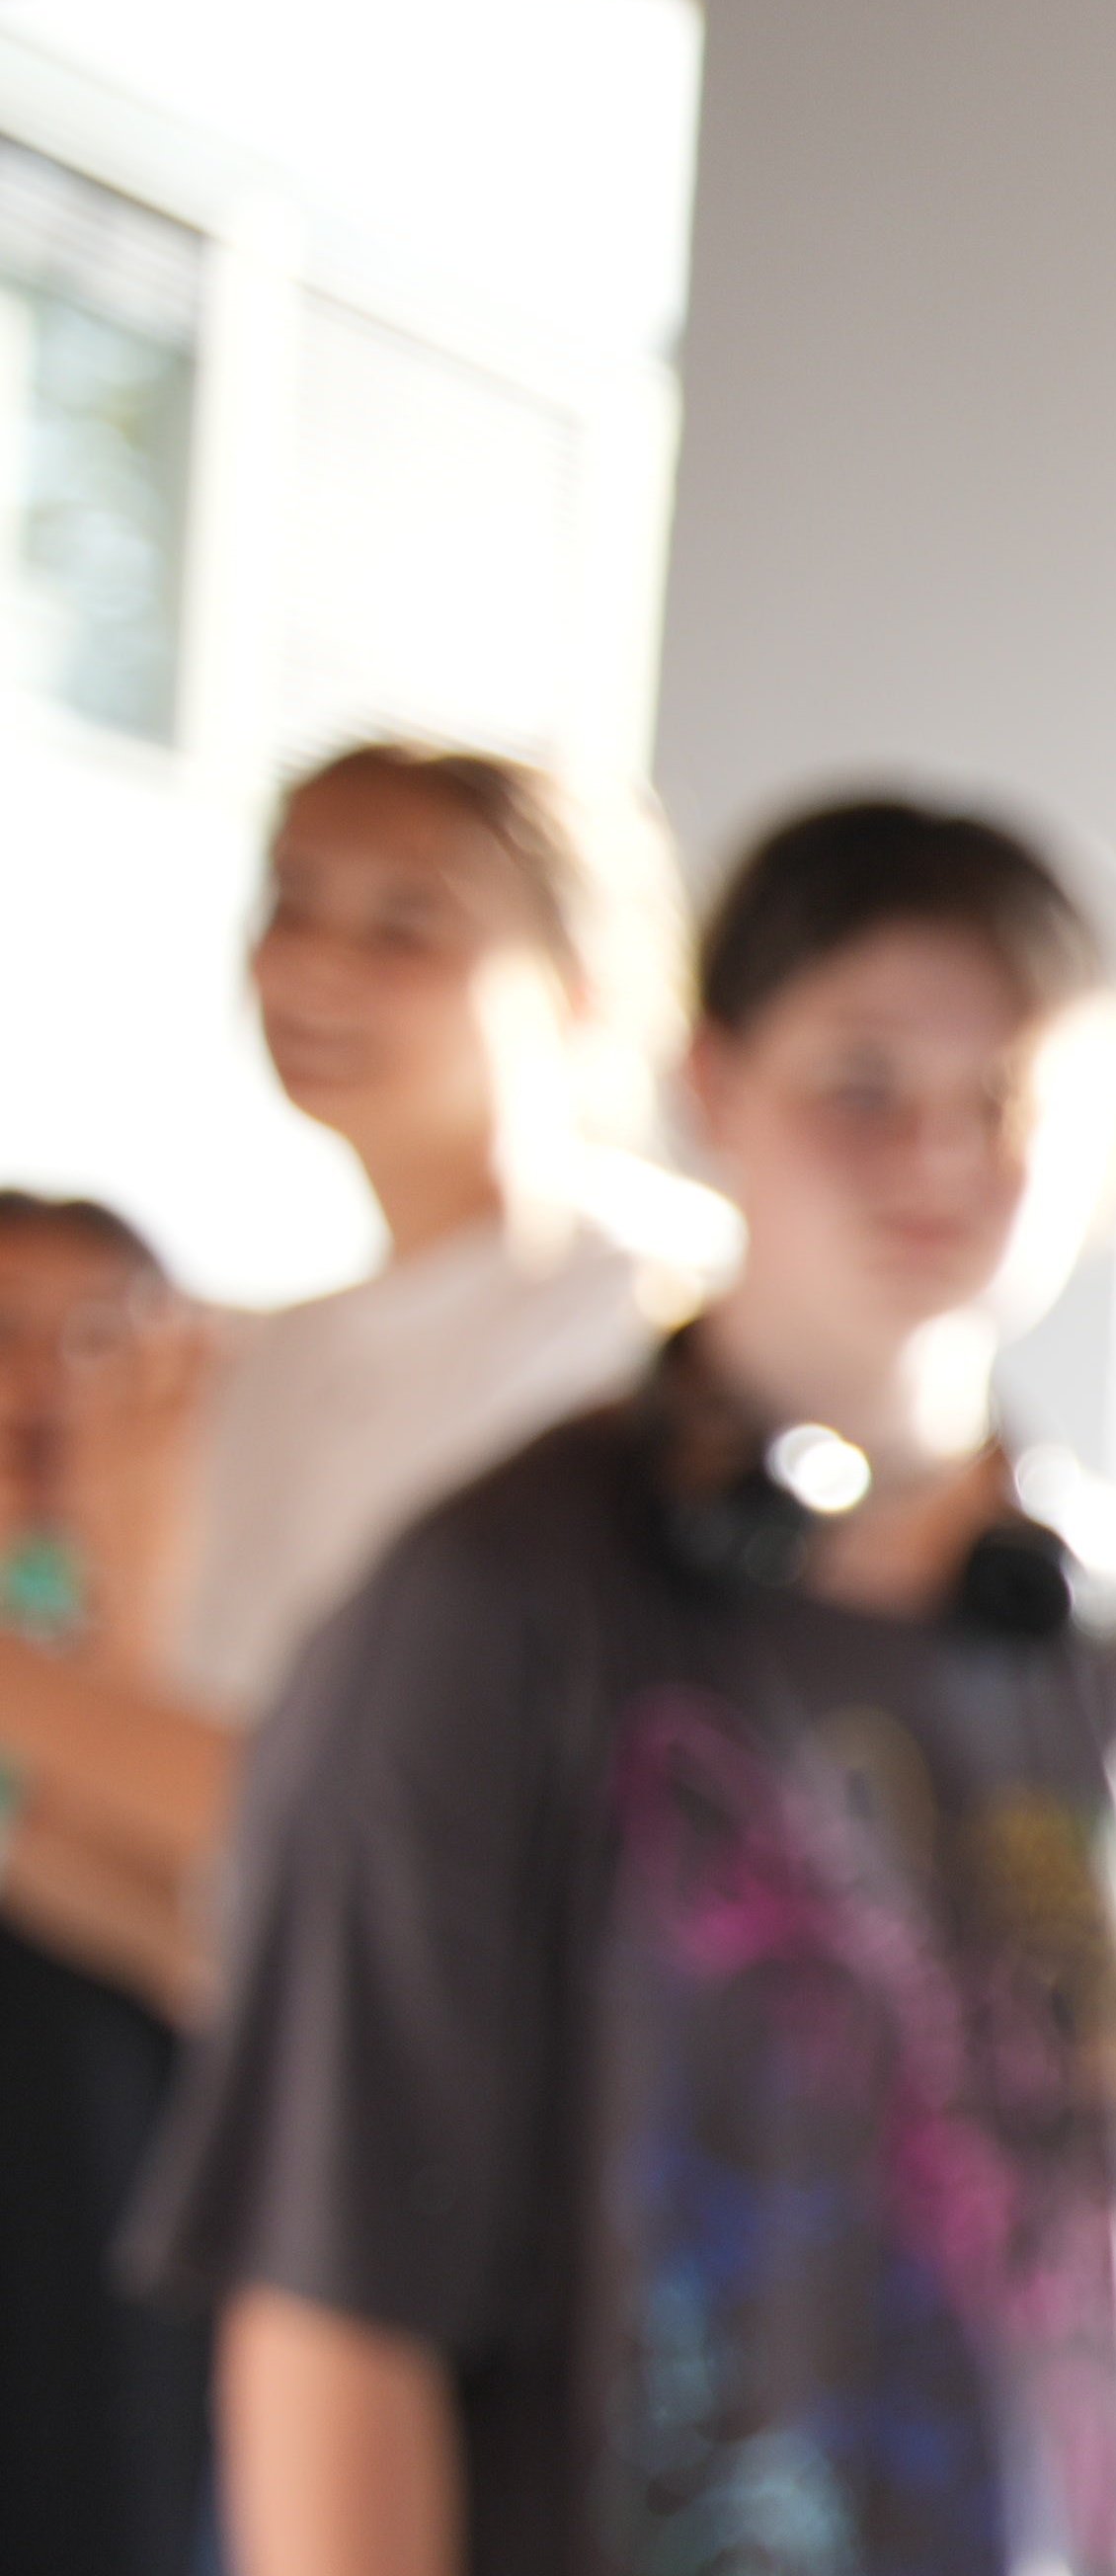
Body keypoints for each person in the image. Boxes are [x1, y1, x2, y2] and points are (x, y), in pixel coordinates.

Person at [126, 799, 1116, 2576]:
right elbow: (329, 2306)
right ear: (714, 1087)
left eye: (1005, 1101)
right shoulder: (495, 1604)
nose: (941, 1157)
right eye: (863, 1084)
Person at [0, 746, 728, 1980]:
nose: (310, 963)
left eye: (408, 923)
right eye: (291, 900)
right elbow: (206, 1908)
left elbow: (422, 1826)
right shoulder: (252, 1364)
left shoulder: (656, 1310)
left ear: (582, 986)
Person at [0, 1195, 220, 2576]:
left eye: (103, 1340)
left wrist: (126, 1592)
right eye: (8, 1336)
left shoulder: (230, 1627)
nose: (50, 1383)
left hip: (117, 2410)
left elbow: (211, 1940)